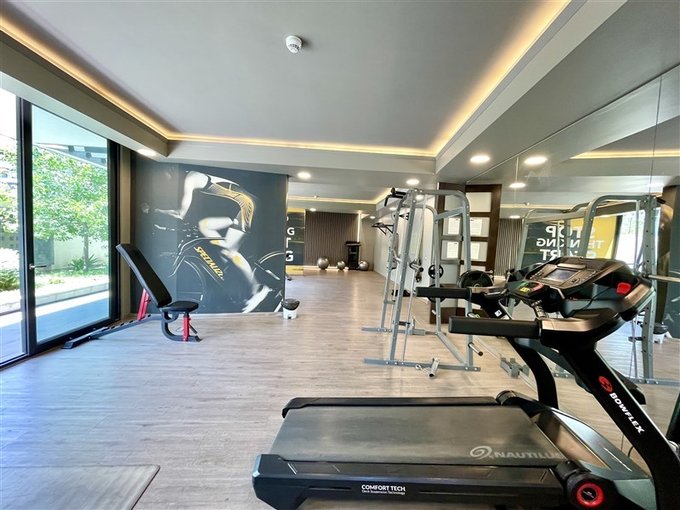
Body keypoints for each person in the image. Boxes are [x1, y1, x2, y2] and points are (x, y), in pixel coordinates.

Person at [153, 171, 270, 313]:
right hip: (236, 209)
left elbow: (180, 213)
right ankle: (233, 265)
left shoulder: (190, 178)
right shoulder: (187, 179)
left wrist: (155, 211)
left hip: (245, 205)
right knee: (203, 226)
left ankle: (257, 290)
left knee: (229, 252)